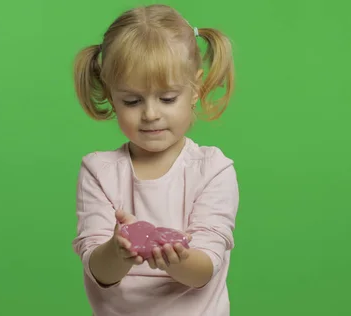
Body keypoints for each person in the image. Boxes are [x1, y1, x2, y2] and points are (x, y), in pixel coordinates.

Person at [71, 4, 239, 316]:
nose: (150, 114)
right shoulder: (98, 172)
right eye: (132, 101)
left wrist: (177, 259)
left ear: (195, 89)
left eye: (167, 98)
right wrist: (118, 250)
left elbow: (206, 268)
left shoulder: (213, 170)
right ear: (111, 96)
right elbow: (99, 271)